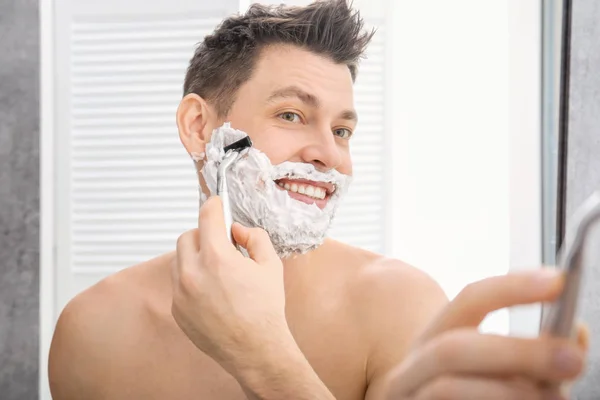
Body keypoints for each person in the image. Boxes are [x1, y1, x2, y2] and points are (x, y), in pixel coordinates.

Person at [48, 1, 589, 399]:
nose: (329, 154)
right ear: (198, 127)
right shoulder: (94, 330)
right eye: (291, 115)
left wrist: (265, 359)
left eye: (344, 130)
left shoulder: (398, 307)